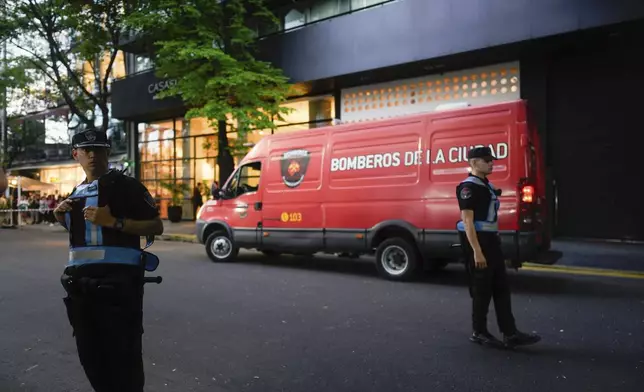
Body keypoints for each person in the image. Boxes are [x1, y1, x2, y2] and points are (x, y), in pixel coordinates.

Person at [54, 129, 164, 391]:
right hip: (81, 289)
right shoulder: (76, 193)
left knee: (124, 362)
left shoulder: (128, 187)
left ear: (108, 152)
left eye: (99, 149)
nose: (93, 155)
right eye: (86, 150)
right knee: (91, 358)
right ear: (75, 155)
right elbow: (87, 240)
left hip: (120, 287)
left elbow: (156, 226)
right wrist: (61, 218)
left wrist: (114, 222)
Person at [456, 146, 541, 349]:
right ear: (474, 163)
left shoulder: (485, 185)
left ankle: (510, 333)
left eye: (491, 160)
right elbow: (467, 222)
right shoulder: (468, 188)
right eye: (486, 160)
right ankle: (479, 332)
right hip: (479, 243)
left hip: (491, 242)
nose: (491, 163)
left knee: (501, 288)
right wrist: (477, 251)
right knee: (482, 290)